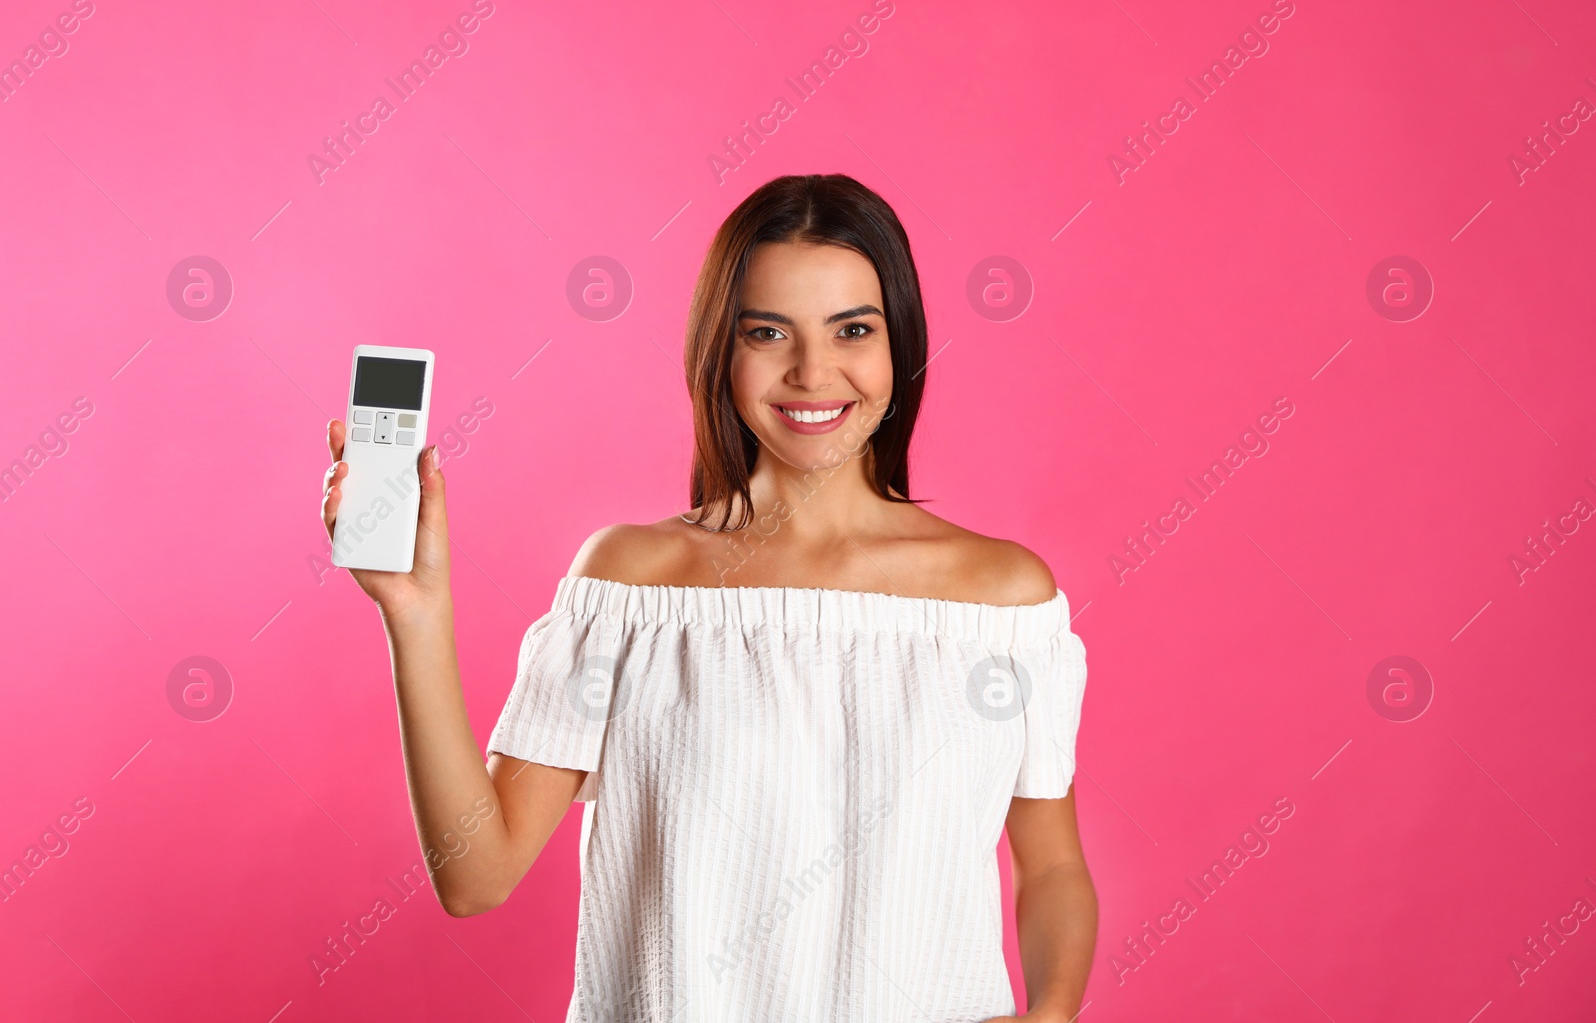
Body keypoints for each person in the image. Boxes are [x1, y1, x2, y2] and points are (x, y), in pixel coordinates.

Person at [319, 173, 1096, 1021]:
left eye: (853, 329)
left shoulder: (1005, 602)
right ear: (720, 349)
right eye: (769, 331)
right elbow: (477, 874)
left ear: (897, 343)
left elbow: (1052, 866)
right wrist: (416, 612)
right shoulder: (634, 585)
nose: (813, 371)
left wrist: (1050, 1013)